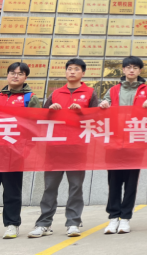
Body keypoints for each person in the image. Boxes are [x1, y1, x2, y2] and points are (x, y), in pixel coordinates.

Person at [28, 59, 99, 239]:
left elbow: (98, 117)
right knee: (50, 187)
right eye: (69, 69)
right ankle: (44, 223)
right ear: (65, 72)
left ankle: (73, 222)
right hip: (55, 148)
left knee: (75, 186)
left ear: (83, 73)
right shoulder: (56, 93)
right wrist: (50, 109)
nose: (72, 72)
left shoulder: (90, 93)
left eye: (76, 69)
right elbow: (42, 117)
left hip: (77, 147)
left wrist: (82, 112)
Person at [0, 62, 42, 239]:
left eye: (20, 73)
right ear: (7, 75)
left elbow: (36, 125)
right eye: (12, 73)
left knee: (12, 190)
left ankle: (12, 225)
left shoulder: (30, 98)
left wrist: (26, 149)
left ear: (25, 77)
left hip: (14, 153)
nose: (15, 76)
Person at [100, 56, 147, 235]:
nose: (131, 70)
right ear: (123, 70)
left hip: (136, 141)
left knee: (131, 182)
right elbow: (103, 107)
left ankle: (125, 218)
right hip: (114, 142)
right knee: (114, 181)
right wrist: (104, 104)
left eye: (135, 67)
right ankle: (113, 217)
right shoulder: (113, 90)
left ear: (140, 71)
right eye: (128, 67)